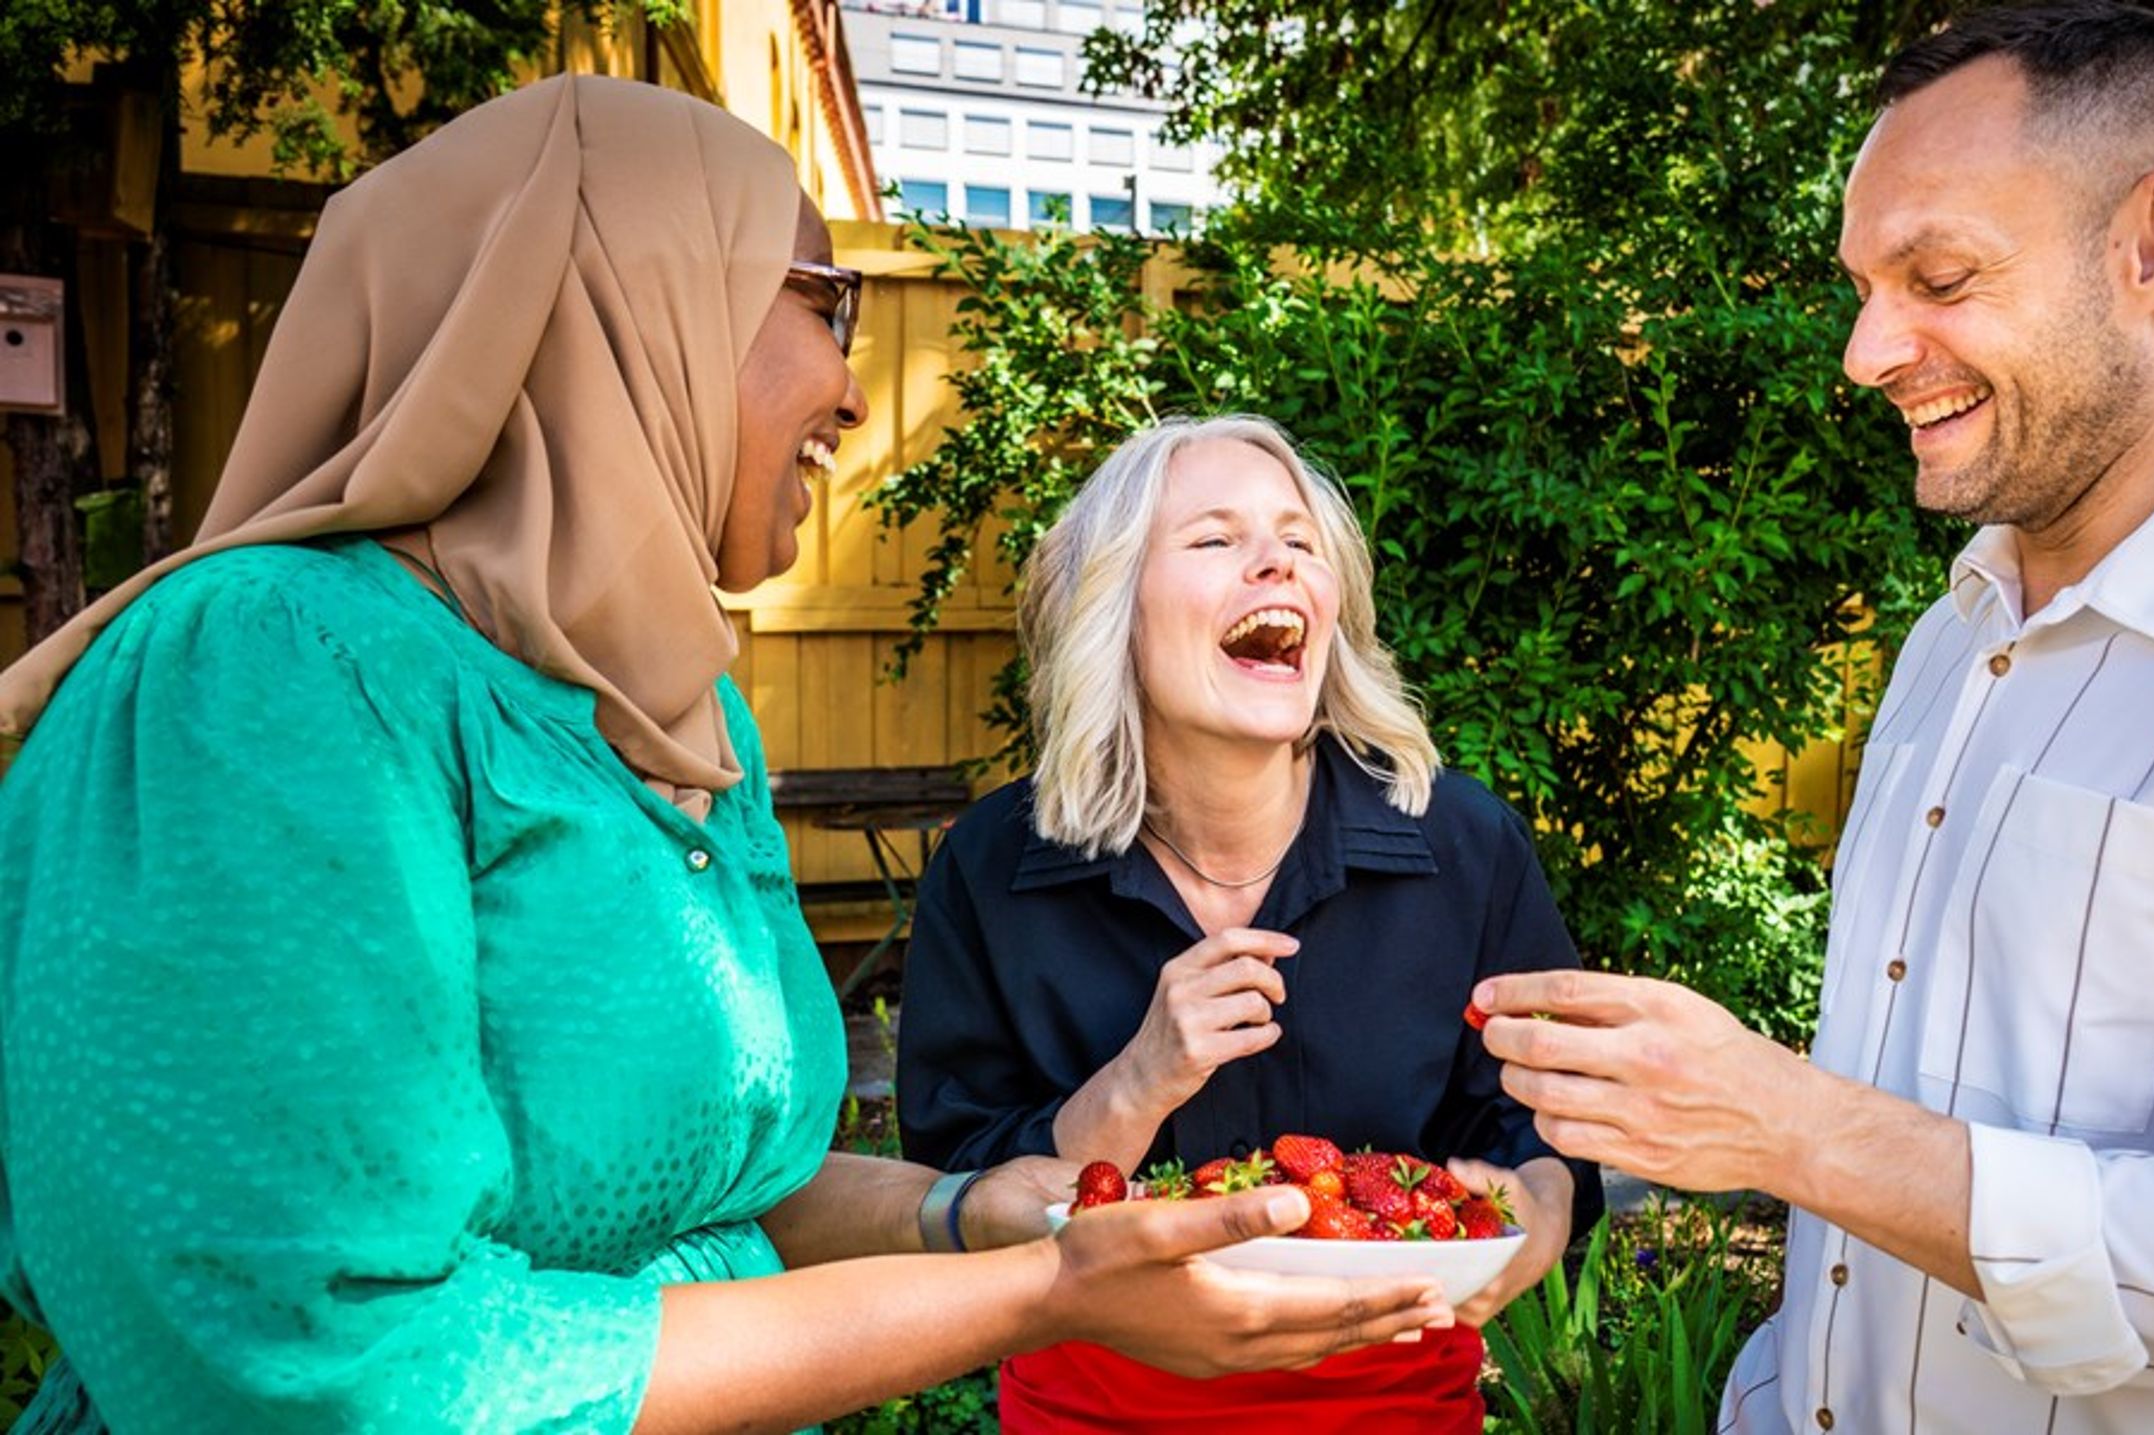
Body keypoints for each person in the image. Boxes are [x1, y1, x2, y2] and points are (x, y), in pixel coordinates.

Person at [0, 76, 1456, 1435]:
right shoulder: (266, 671)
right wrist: (1038, 1295)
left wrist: (987, 1211)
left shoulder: (687, 718)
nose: (851, 390)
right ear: (629, 297)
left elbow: (720, 1190)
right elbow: (319, 1363)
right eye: (829, 303)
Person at [1472, 4, 2154, 1432]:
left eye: (1937, 274)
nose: (1868, 349)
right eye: (1866, 285)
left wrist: (1789, 1125)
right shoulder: (1954, 631)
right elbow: (1887, 1202)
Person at [895, 415, 1603, 1431]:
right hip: (1094, 1404)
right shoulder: (992, 868)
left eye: (1298, 539)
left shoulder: (1463, 842)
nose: (1275, 559)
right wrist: (1137, 1081)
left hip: (1396, 1399)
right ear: (1113, 604)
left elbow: (1540, 1121)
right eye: (1216, 539)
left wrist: (1538, 1205)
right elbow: (961, 1192)